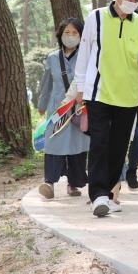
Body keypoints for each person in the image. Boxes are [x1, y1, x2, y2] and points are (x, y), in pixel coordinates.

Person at [74, 0, 138, 217]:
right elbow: (84, 55)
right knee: (99, 143)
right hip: (99, 93)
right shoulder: (95, 18)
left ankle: (108, 193)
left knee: (119, 148)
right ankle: (97, 194)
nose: (133, 2)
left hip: (128, 97)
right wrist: (79, 88)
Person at [37, 17, 89, 199]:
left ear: (81, 36)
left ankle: (73, 184)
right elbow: (47, 84)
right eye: (67, 32)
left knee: (77, 145)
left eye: (75, 32)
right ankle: (49, 183)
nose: (71, 36)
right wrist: (42, 106)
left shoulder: (86, 57)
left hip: (77, 109)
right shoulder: (52, 58)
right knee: (53, 144)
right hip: (57, 109)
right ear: (60, 35)